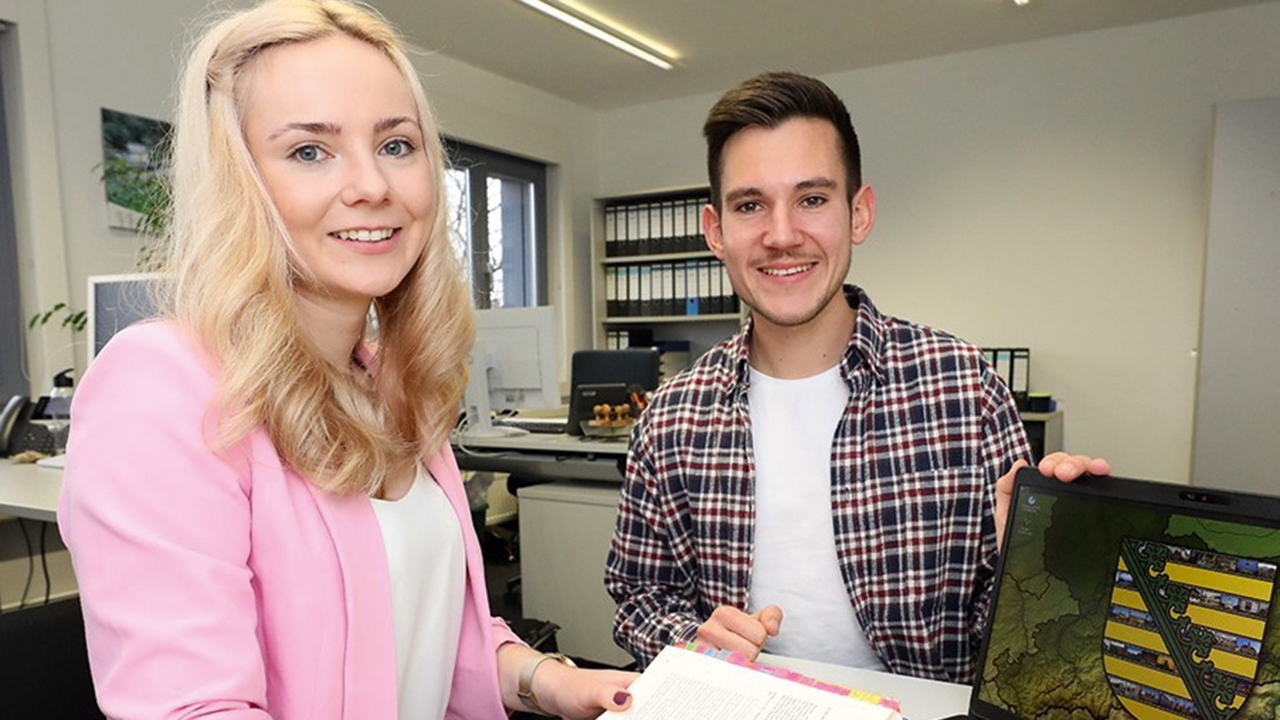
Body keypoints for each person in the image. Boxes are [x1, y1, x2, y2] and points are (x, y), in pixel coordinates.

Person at [58, 2, 634, 718]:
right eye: (309, 151)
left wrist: (549, 680)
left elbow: (421, 628)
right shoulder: (162, 385)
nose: (373, 185)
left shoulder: (391, 384)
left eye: (396, 145)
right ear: (240, 182)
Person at [604, 71, 1109, 683]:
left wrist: (1041, 563)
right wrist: (691, 638)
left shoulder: (963, 388)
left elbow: (1014, 639)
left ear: (859, 213)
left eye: (812, 199)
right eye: (750, 205)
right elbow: (639, 597)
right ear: (716, 231)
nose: (781, 235)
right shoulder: (674, 413)